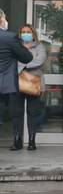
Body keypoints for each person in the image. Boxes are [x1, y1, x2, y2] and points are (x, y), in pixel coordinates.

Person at [0, 11, 34, 150]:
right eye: (5, 17)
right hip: (6, 85)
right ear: (1, 19)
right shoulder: (10, 37)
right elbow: (27, 57)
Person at [10, 25, 46, 151]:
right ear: (20, 34)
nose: (26, 34)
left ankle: (31, 141)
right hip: (16, 83)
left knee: (33, 113)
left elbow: (40, 60)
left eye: (28, 32)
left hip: (33, 83)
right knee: (16, 113)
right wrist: (26, 64)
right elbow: (11, 61)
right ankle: (17, 140)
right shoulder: (15, 46)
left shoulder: (40, 47)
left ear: (33, 33)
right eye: (23, 32)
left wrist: (22, 66)